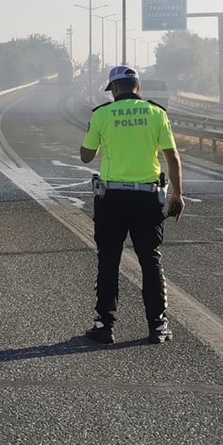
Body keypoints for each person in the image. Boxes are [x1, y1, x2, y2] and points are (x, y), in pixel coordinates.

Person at [79, 64, 185, 345]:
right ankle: (158, 326)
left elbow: (86, 156)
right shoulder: (156, 113)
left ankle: (104, 326)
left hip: (111, 199)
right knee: (150, 260)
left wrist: (97, 134)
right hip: (147, 198)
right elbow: (172, 157)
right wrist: (177, 194)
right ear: (138, 87)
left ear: (114, 89)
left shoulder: (102, 114)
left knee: (108, 260)